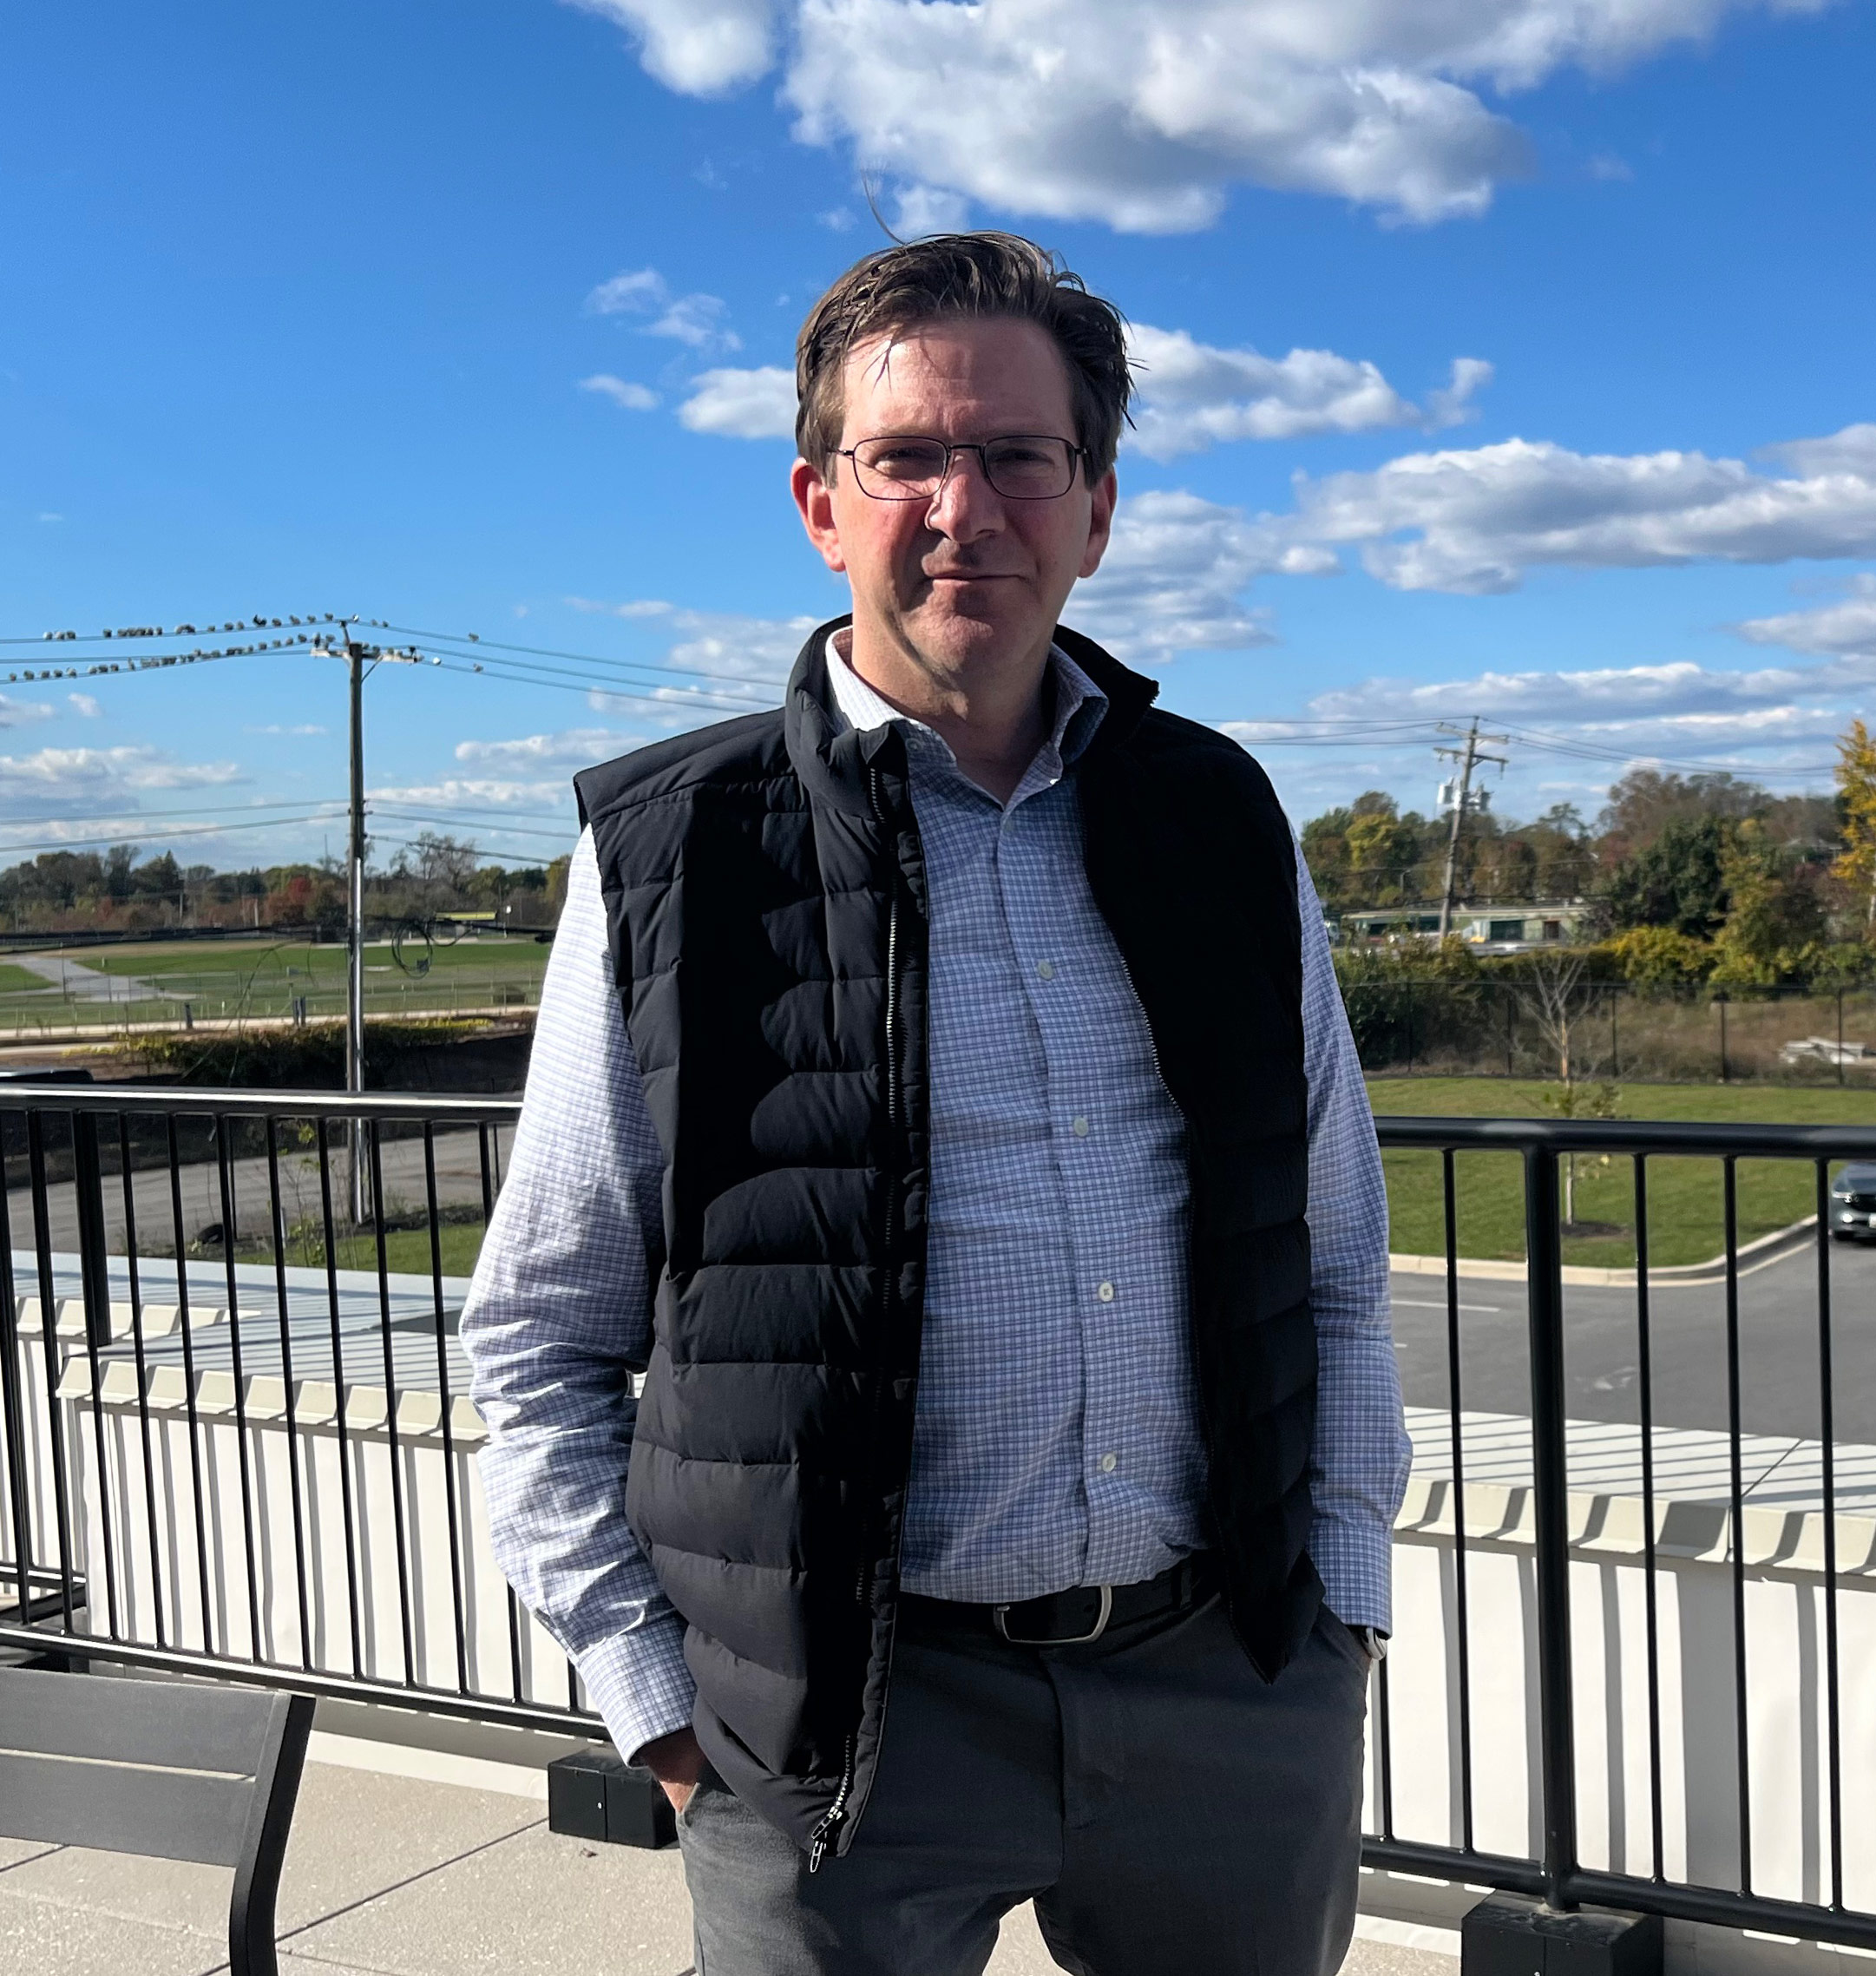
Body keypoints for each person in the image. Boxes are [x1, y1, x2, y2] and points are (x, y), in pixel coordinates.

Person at [461, 229, 1406, 1976]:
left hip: (1223, 1685)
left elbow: (1332, 1252)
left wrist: (1339, 1595)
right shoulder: (670, 849)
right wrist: (652, 1687)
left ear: (1095, 505)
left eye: (1018, 457)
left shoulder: (1219, 816)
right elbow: (540, 1325)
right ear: (822, 501)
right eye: (906, 457)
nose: (963, 506)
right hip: (837, 1727)